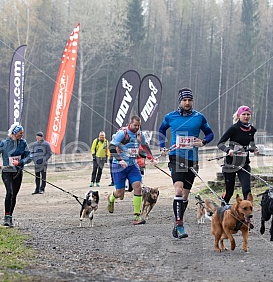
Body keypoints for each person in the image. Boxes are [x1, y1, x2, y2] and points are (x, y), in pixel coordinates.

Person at [158, 88, 214, 239]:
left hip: (192, 159)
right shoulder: (171, 117)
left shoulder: (199, 117)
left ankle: (177, 224)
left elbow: (210, 133)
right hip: (176, 156)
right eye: (184, 100)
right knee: (178, 191)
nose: (187, 103)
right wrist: (162, 146)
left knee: (185, 195)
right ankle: (180, 225)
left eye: (190, 100)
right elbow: (162, 130)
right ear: (180, 101)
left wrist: (203, 141)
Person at [106, 116, 157, 225]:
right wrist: (120, 160)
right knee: (120, 193)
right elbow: (111, 147)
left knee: (137, 186)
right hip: (119, 165)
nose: (137, 128)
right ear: (130, 124)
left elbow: (145, 146)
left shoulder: (139, 134)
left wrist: (151, 158)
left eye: (139, 126)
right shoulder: (122, 133)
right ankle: (111, 198)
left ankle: (137, 216)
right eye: (135, 125)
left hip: (133, 165)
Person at [0, 123, 32, 227]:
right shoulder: (4, 143)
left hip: (18, 172)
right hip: (7, 172)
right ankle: (6, 217)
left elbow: (29, 156)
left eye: (22, 133)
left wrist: (21, 162)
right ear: (14, 133)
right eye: (20, 133)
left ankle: (10, 217)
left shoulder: (23, 143)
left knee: (14, 195)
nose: (22, 135)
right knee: (10, 193)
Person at [217, 105, 259, 205]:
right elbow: (220, 143)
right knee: (229, 192)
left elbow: (252, 145)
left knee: (247, 190)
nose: (246, 116)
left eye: (248, 114)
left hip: (244, 164)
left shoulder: (252, 130)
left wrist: (255, 149)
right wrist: (228, 150)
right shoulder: (233, 128)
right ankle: (222, 210)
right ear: (239, 115)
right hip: (230, 165)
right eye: (244, 114)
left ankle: (246, 214)